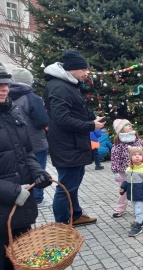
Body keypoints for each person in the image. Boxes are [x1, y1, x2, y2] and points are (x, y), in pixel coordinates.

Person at [0, 62, 52, 270]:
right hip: (6, 205)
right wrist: (13, 192)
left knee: (23, 261)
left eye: (5, 83)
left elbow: (26, 151)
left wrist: (38, 173)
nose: (3, 88)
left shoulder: (12, 111)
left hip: (19, 210)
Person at [43, 50, 104, 226]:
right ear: (72, 69)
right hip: (67, 146)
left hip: (74, 145)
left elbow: (70, 113)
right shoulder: (59, 87)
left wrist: (90, 120)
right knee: (66, 188)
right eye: (84, 69)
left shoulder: (67, 85)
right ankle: (61, 225)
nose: (87, 73)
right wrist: (90, 126)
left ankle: (75, 215)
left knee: (73, 183)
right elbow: (61, 119)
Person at [8, 67, 51, 209]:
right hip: (36, 142)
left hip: (15, 143)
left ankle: (22, 197)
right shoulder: (33, 98)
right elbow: (42, 121)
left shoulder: (7, 98)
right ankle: (38, 199)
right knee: (38, 170)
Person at [110, 119, 143, 218]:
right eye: (126, 125)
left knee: (139, 188)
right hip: (124, 171)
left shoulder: (137, 140)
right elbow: (115, 157)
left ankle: (139, 208)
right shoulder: (119, 144)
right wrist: (115, 171)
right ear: (120, 130)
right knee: (123, 190)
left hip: (138, 169)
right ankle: (120, 208)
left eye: (130, 124)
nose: (130, 126)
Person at [119, 146, 143, 237]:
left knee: (138, 210)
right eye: (134, 155)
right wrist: (123, 188)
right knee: (135, 210)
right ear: (130, 157)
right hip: (133, 194)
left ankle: (137, 226)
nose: (137, 156)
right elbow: (126, 180)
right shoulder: (129, 169)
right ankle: (142, 221)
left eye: (140, 154)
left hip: (142, 194)